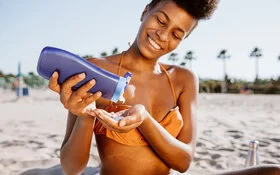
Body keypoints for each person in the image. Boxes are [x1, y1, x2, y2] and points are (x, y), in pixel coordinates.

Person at [48, 0, 213, 174]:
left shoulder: (183, 79)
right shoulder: (96, 70)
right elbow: (71, 168)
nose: (163, 36)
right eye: (161, 21)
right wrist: (86, 116)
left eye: (176, 35)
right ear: (145, 12)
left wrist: (144, 119)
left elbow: (183, 162)